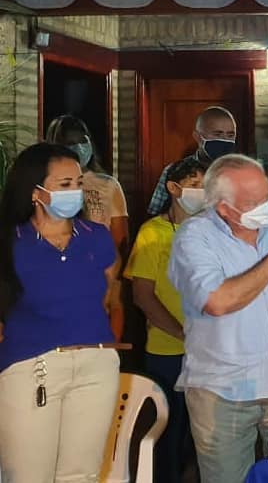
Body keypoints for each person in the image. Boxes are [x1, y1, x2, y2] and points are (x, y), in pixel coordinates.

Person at [168, 154, 268, 482]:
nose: (265, 207)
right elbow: (217, 301)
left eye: (267, 196)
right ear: (223, 208)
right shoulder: (194, 237)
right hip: (223, 389)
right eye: (253, 202)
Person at [0, 143, 122, 482]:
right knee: (27, 474)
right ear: (35, 191)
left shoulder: (95, 236)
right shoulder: (11, 242)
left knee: (81, 474)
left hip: (95, 364)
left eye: (79, 183)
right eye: (65, 184)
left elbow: (112, 291)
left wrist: (108, 343)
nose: (76, 192)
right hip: (32, 366)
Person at [124, 157, 206, 483]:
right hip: (168, 351)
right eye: (197, 186)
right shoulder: (153, 232)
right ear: (174, 188)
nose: (204, 193)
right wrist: (183, 334)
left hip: (210, 352)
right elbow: (143, 296)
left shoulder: (213, 229)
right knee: (169, 433)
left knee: (202, 435)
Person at [45, 115, 128, 339]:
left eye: (83, 141)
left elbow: (119, 238)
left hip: (104, 268)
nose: (79, 148)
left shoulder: (108, 184)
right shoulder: (47, 185)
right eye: (70, 143)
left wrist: (109, 272)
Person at [146, 106, 237, 216]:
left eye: (230, 135)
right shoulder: (174, 171)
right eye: (217, 134)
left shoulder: (243, 173)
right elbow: (155, 214)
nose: (224, 140)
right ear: (198, 137)